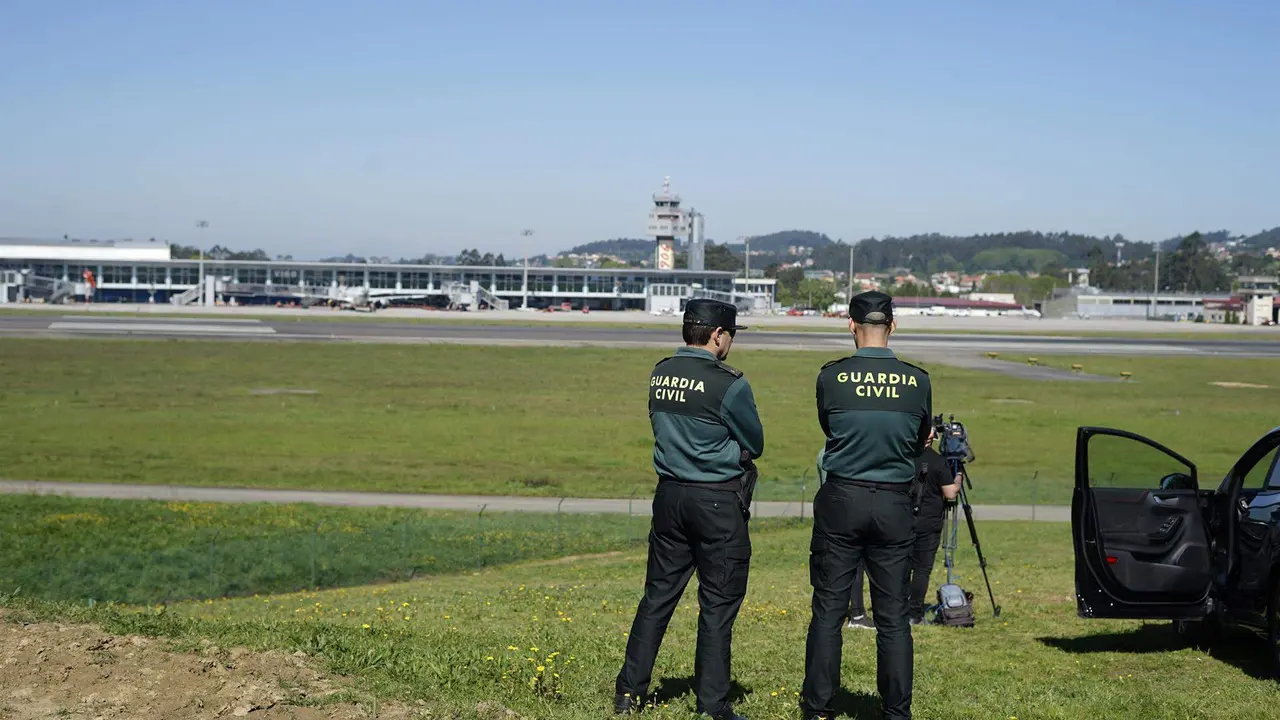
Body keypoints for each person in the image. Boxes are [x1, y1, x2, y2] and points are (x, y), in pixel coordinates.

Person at [615, 298, 764, 720]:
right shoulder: (730, 383)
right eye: (731, 334)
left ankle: (629, 692)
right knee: (717, 604)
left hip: (669, 496)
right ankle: (712, 703)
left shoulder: (660, 373)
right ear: (718, 335)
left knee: (657, 597)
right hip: (716, 500)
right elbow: (754, 443)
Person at [800, 290, 932, 720]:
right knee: (893, 617)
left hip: (842, 498)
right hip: (894, 501)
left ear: (850, 325)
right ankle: (897, 711)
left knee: (829, 611)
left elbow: (828, 425)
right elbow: (918, 440)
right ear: (892, 327)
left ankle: (818, 708)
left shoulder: (831, 377)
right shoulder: (918, 380)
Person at [841, 426, 961, 627]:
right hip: (929, 523)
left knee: (902, 566)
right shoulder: (939, 462)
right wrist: (957, 479)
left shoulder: (902, 458)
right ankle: (914, 612)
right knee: (922, 569)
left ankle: (896, 607)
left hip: (902, 519)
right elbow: (950, 494)